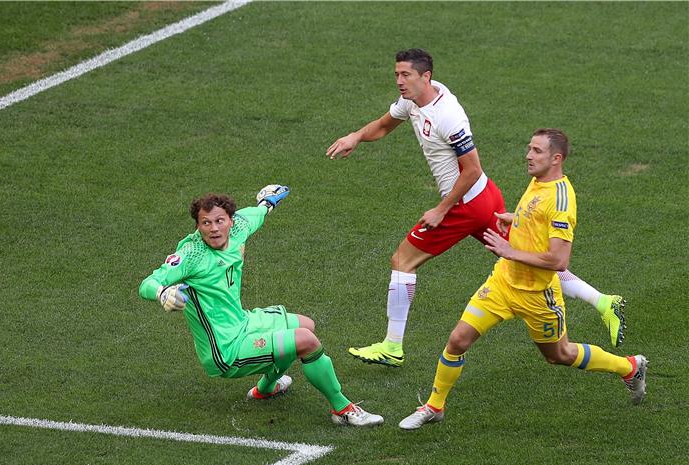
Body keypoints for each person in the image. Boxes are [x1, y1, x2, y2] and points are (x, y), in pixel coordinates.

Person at [326, 49, 625, 369]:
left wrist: (442, 209)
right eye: (397, 75)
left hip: (466, 202)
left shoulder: (449, 117)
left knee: (402, 259)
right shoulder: (413, 100)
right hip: (484, 196)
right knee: (524, 255)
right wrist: (355, 136)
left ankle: (392, 346)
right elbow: (385, 125)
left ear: (425, 77)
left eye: (405, 75)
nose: (399, 81)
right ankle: (603, 301)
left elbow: (470, 169)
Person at [398, 129, 647, 430]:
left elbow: (559, 260)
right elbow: (535, 215)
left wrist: (509, 250)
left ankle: (630, 367)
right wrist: (516, 219)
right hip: (502, 283)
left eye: (536, 151)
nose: (528, 155)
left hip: (538, 296)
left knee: (560, 355)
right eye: (529, 148)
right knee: (457, 340)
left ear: (556, 158)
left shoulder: (561, 202)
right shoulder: (539, 180)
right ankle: (434, 406)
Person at [138, 186, 384, 427]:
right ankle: (342, 409)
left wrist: (267, 203)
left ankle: (265, 389)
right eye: (205, 223)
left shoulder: (238, 230)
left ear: (231, 221)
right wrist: (162, 293)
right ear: (197, 226)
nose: (214, 228)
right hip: (225, 349)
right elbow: (148, 283)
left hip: (243, 322)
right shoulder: (191, 255)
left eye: (219, 221)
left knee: (306, 324)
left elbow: (255, 214)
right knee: (306, 341)